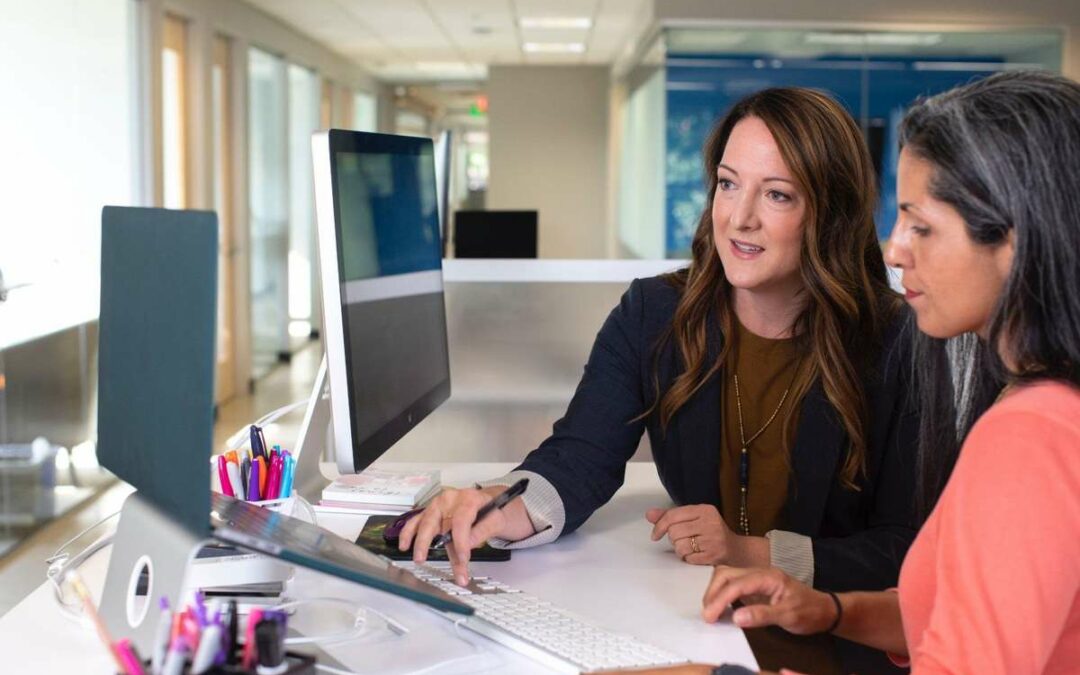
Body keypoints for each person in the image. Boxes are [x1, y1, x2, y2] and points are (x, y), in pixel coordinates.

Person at [402, 87, 920, 673]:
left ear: (830, 213)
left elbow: (906, 546)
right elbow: (580, 456)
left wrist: (754, 552)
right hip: (696, 628)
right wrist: (497, 507)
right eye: (728, 184)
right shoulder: (655, 314)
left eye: (777, 195)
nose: (738, 218)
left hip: (837, 644)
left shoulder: (896, 342)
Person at [684, 70, 1080, 674]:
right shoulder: (1040, 405)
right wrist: (830, 611)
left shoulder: (1032, 436)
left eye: (922, 226)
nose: (895, 250)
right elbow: (969, 614)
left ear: (1017, 242)